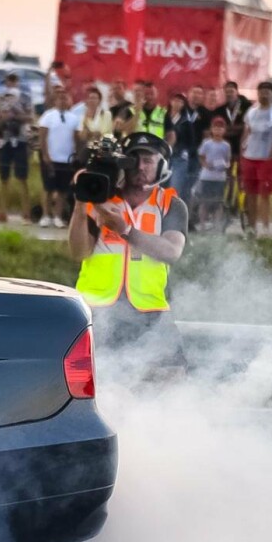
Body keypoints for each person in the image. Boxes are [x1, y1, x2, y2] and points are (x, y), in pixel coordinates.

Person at [66, 131, 188, 374]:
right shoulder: (101, 198)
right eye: (134, 160)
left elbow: (172, 251)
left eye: (148, 160)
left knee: (173, 377)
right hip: (96, 308)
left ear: (161, 165)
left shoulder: (170, 205)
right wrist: (81, 203)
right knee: (93, 379)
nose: (140, 167)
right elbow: (78, 251)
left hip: (149, 309)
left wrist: (124, 228)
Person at [241, 81, 272, 237]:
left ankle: (266, 227)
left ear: (271, 93)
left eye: (267, 91)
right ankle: (252, 227)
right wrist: (243, 150)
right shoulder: (251, 112)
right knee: (251, 194)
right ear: (258, 93)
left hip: (265, 158)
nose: (264, 94)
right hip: (250, 157)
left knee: (264, 194)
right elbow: (246, 133)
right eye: (261, 91)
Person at [0, 72, 35, 223]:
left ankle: (26, 213)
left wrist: (16, 115)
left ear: (17, 82)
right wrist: (1, 119)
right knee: (3, 177)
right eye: (8, 81)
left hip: (20, 139)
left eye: (13, 80)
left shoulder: (25, 97)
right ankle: (2, 212)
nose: (10, 83)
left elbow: (31, 117)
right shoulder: (0, 97)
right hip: (4, 140)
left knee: (22, 177)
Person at [38, 86, 82, 228]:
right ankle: (45, 215)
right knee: (48, 188)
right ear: (55, 100)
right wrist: (45, 155)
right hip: (51, 158)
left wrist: (76, 155)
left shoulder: (74, 118)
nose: (62, 101)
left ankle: (58, 215)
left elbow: (76, 139)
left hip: (66, 159)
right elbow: (42, 137)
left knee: (62, 190)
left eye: (65, 98)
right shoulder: (48, 116)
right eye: (60, 98)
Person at [196, 116, 231, 231]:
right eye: (215, 128)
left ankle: (217, 225)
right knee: (204, 202)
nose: (218, 131)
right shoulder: (207, 143)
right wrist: (206, 165)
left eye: (221, 128)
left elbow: (228, 160)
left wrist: (226, 166)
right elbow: (201, 156)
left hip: (219, 178)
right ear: (211, 129)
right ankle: (202, 224)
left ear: (224, 130)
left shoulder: (226, 146)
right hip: (207, 177)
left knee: (218, 202)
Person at [163, 91, 198, 207]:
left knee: (175, 189)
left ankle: (174, 216)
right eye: (175, 100)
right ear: (170, 102)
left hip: (180, 158)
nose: (177, 103)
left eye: (181, 101)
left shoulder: (186, 122)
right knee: (161, 187)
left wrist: (188, 155)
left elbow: (192, 142)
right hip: (163, 156)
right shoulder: (163, 117)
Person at [215, 80, 251, 164]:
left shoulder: (247, 106)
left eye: (231, 91)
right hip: (226, 145)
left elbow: (248, 126)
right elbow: (217, 128)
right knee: (227, 171)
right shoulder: (220, 110)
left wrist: (229, 128)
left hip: (242, 145)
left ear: (237, 92)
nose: (229, 94)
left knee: (240, 172)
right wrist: (235, 129)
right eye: (226, 92)